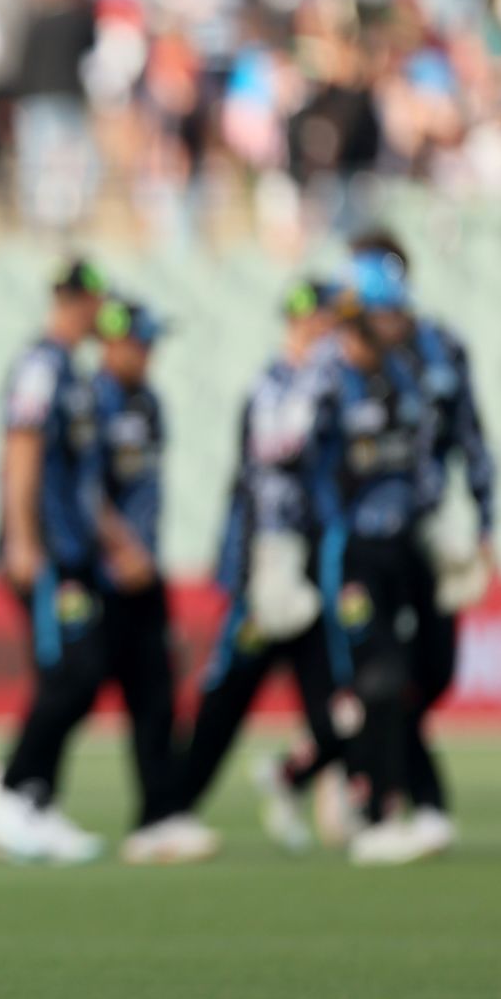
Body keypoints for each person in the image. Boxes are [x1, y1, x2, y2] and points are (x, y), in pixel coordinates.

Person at [257, 254, 440, 866]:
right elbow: (275, 450)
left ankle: (295, 775)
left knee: (396, 682)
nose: (398, 323)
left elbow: (419, 460)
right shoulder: (324, 379)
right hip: (346, 552)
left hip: (401, 549)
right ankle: (373, 813)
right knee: (375, 680)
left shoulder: (404, 374)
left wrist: (439, 526)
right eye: (387, 312)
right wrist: (279, 549)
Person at [173, 279, 353, 851]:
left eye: (326, 323)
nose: (318, 334)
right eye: (310, 324)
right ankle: (172, 809)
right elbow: (262, 470)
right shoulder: (273, 389)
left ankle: (294, 778)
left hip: (318, 577)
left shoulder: (339, 387)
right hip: (266, 575)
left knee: (340, 714)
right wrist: (239, 572)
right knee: (225, 699)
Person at [0, 259, 122, 866]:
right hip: (49, 551)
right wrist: (23, 540)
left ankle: (36, 798)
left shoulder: (70, 372)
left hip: (74, 549)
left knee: (76, 673)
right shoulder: (40, 366)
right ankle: (9, 788)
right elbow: (22, 449)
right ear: (75, 300)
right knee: (72, 672)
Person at [353, 230, 494, 857]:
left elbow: (472, 436)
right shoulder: (346, 364)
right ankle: (394, 800)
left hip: (427, 535)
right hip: (363, 540)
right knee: (383, 673)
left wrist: (485, 524)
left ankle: (346, 760)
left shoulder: (440, 351)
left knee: (432, 670)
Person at [93, 299, 220, 865]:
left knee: (156, 697)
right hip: (100, 574)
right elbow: (79, 490)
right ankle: (22, 783)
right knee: (73, 689)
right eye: (141, 343)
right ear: (113, 342)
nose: (149, 354)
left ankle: (158, 817)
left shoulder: (149, 405)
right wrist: (120, 547)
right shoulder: (88, 400)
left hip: (144, 572)